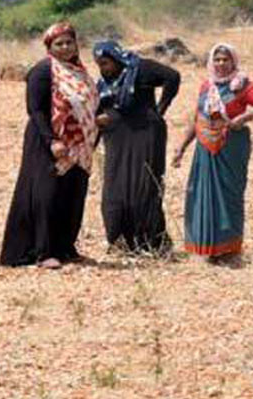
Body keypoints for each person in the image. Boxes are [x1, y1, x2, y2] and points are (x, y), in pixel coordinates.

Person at [0, 22, 99, 269]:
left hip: (78, 146)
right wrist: (52, 140)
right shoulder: (43, 71)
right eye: (59, 44)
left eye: (69, 42)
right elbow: (35, 110)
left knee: (72, 193)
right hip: (47, 141)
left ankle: (65, 247)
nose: (65, 48)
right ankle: (43, 251)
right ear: (49, 47)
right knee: (47, 194)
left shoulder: (80, 72)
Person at [173, 43, 253, 266]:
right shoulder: (207, 86)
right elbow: (198, 118)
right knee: (201, 196)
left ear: (233, 61)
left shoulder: (241, 85)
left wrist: (245, 118)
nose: (221, 64)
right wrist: (182, 146)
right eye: (217, 59)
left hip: (231, 148)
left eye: (225, 59)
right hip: (205, 148)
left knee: (229, 197)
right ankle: (207, 248)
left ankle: (229, 251)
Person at [93, 41, 180, 257]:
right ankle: (121, 242)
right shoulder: (103, 83)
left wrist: (160, 109)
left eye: (105, 63)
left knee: (144, 187)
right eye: (99, 64)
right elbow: (98, 113)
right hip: (117, 140)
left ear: (116, 58)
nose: (103, 68)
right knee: (114, 191)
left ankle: (150, 243)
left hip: (145, 135)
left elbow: (172, 77)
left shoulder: (139, 69)